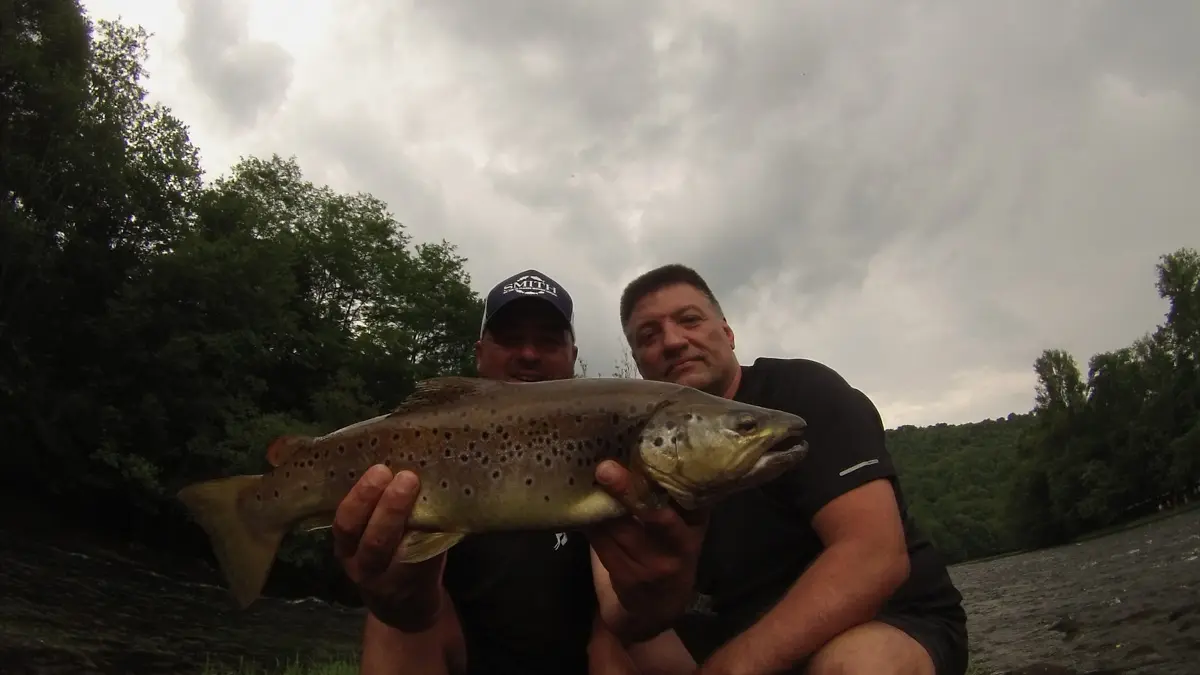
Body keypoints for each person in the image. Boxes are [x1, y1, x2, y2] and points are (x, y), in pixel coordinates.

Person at [329, 268, 704, 675]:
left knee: (640, 642)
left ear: (573, 357)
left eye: (547, 340)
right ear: (478, 353)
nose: (528, 354)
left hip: (579, 653)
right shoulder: (424, 443)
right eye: (510, 339)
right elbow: (416, 611)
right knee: (393, 625)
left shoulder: (607, 437)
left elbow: (624, 612)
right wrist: (399, 603)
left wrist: (654, 601)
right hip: (456, 654)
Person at [615, 263, 970, 675]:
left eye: (689, 320)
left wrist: (731, 668)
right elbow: (634, 612)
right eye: (649, 336)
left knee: (852, 667)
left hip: (886, 622)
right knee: (620, 639)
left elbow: (875, 556)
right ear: (640, 365)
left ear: (728, 334)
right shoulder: (633, 443)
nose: (673, 341)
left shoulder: (803, 392)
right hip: (733, 629)